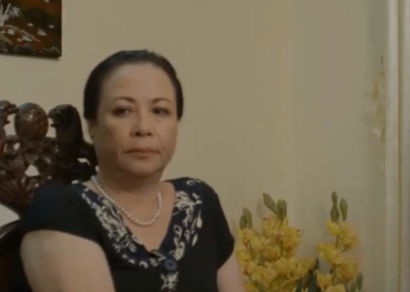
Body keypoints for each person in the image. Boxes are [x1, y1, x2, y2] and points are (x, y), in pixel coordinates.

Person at [12, 50, 246, 292]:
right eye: (123, 110)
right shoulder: (59, 209)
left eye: (160, 111)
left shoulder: (199, 201)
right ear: (92, 125)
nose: (143, 128)